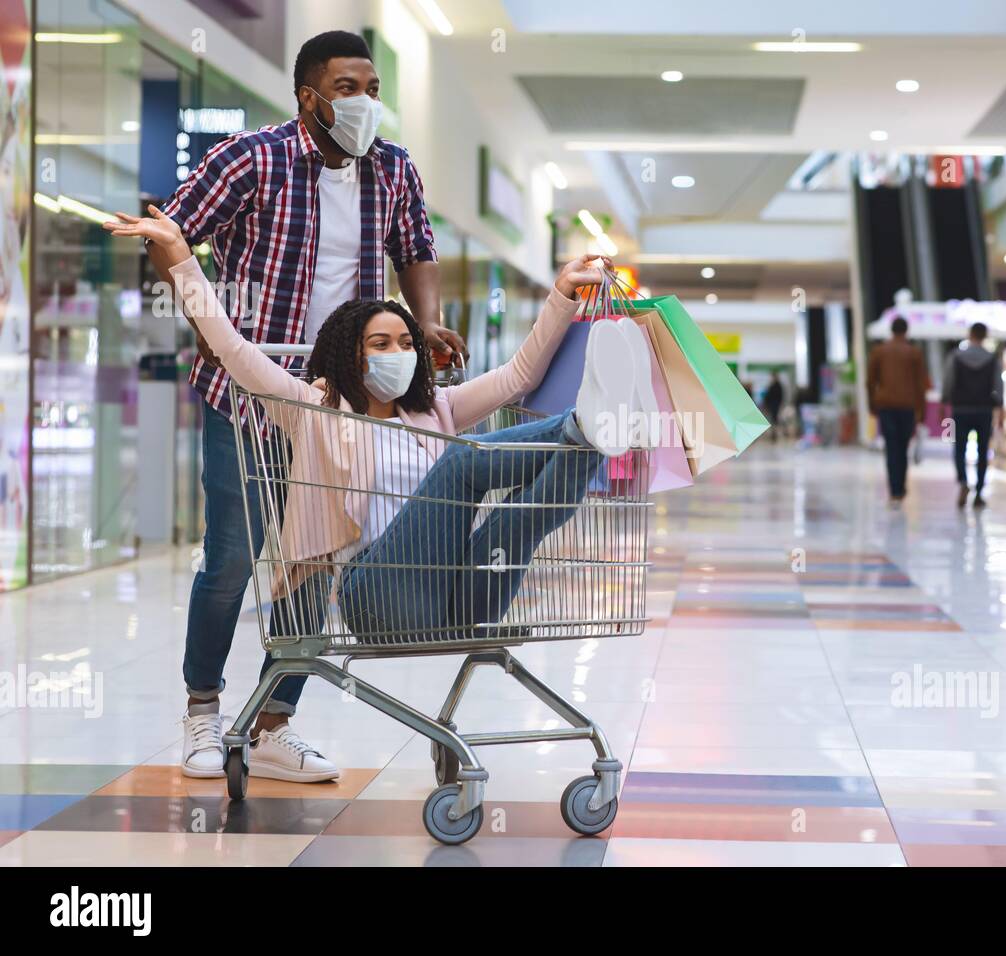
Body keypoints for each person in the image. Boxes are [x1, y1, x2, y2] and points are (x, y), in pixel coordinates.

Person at [109, 207, 647, 779]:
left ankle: (590, 433)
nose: (398, 352)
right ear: (349, 354)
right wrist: (181, 260)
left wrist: (562, 294)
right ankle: (579, 423)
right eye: (380, 343)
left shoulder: (435, 410)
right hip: (381, 595)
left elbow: (517, 376)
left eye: (405, 342)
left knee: (526, 516)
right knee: (465, 464)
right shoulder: (315, 412)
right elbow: (235, 351)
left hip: (466, 593)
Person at [150, 31, 467, 781]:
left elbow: (415, 247)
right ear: (309, 97)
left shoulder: (392, 168)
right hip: (254, 396)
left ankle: (271, 723)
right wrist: (221, 335)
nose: (364, 102)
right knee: (232, 556)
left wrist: (421, 327)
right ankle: (203, 711)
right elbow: (172, 234)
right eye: (347, 88)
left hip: (338, 408)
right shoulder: (251, 158)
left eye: (372, 87)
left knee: (314, 565)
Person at [867, 317, 929, 505]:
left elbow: (870, 381)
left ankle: (894, 490)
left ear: (891, 331)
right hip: (907, 406)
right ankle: (900, 487)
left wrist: (872, 404)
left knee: (891, 447)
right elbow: (921, 384)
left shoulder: (879, 352)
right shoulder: (914, 353)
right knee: (903, 447)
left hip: (886, 406)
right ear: (906, 331)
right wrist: (922, 411)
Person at [942, 321, 1003, 508]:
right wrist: (1000, 409)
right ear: (985, 336)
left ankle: (962, 482)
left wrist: (944, 403)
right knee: (982, 451)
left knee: (959, 448)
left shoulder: (956, 357)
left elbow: (948, 381)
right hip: (984, 410)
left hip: (960, 409)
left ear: (970, 334)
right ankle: (979, 492)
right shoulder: (992, 359)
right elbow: (998, 386)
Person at [762, 372, 785, 442]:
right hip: (772, 405)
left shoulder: (777, 385)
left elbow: (779, 396)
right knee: (773, 419)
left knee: (774, 419)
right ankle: (773, 433)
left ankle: (774, 434)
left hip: (775, 405)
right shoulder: (772, 385)